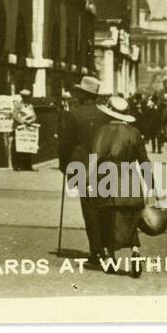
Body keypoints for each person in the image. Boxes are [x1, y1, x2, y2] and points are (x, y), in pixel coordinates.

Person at [89, 95, 150, 277]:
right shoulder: (134, 133)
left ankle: (109, 257)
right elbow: (144, 161)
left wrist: (89, 182)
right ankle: (135, 250)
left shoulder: (103, 131)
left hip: (106, 178)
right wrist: (152, 185)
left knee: (105, 218)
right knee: (130, 218)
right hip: (130, 179)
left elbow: (94, 157)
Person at [57, 75, 107, 264]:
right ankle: (108, 247)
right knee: (105, 208)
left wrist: (64, 166)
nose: (76, 95)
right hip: (105, 167)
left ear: (84, 95)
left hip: (83, 168)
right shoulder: (105, 114)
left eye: (78, 92)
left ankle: (96, 250)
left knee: (89, 209)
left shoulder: (74, 114)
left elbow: (65, 144)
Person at [10, 89, 38, 171]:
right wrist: (23, 121)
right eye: (25, 97)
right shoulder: (18, 105)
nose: (27, 99)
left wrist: (31, 121)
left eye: (28, 97)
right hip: (20, 128)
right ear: (22, 97)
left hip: (28, 129)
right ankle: (18, 165)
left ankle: (28, 165)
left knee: (28, 146)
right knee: (18, 147)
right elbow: (15, 116)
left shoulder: (30, 106)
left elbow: (34, 115)